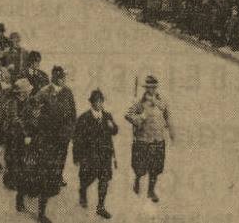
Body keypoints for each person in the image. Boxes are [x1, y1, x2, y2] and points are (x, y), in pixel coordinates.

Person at [125, 75, 175, 203]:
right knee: (140, 167)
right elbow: (128, 115)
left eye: (154, 87)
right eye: (149, 87)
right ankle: (137, 179)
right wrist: (140, 118)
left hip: (158, 140)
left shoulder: (162, 101)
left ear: (156, 88)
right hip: (143, 140)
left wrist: (171, 132)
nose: (152, 90)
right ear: (146, 88)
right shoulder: (139, 102)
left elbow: (168, 116)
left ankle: (151, 191)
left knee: (156, 168)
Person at [73, 89, 117, 219]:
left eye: (101, 101)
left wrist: (112, 126)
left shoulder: (107, 116)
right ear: (91, 103)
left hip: (105, 155)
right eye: (96, 101)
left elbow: (115, 131)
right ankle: (83, 190)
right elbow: (77, 139)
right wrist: (76, 157)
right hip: (89, 156)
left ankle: (101, 207)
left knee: (104, 180)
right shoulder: (84, 118)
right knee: (88, 178)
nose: (99, 104)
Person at [34, 66, 76, 188]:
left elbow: (73, 112)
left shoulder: (68, 92)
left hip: (64, 132)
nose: (64, 80)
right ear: (55, 78)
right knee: (48, 155)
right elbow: (34, 105)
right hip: (49, 131)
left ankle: (58, 177)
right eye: (61, 77)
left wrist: (72, 130)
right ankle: (47, 179)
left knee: (62, 155)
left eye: (64, 77)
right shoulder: (44, 91)